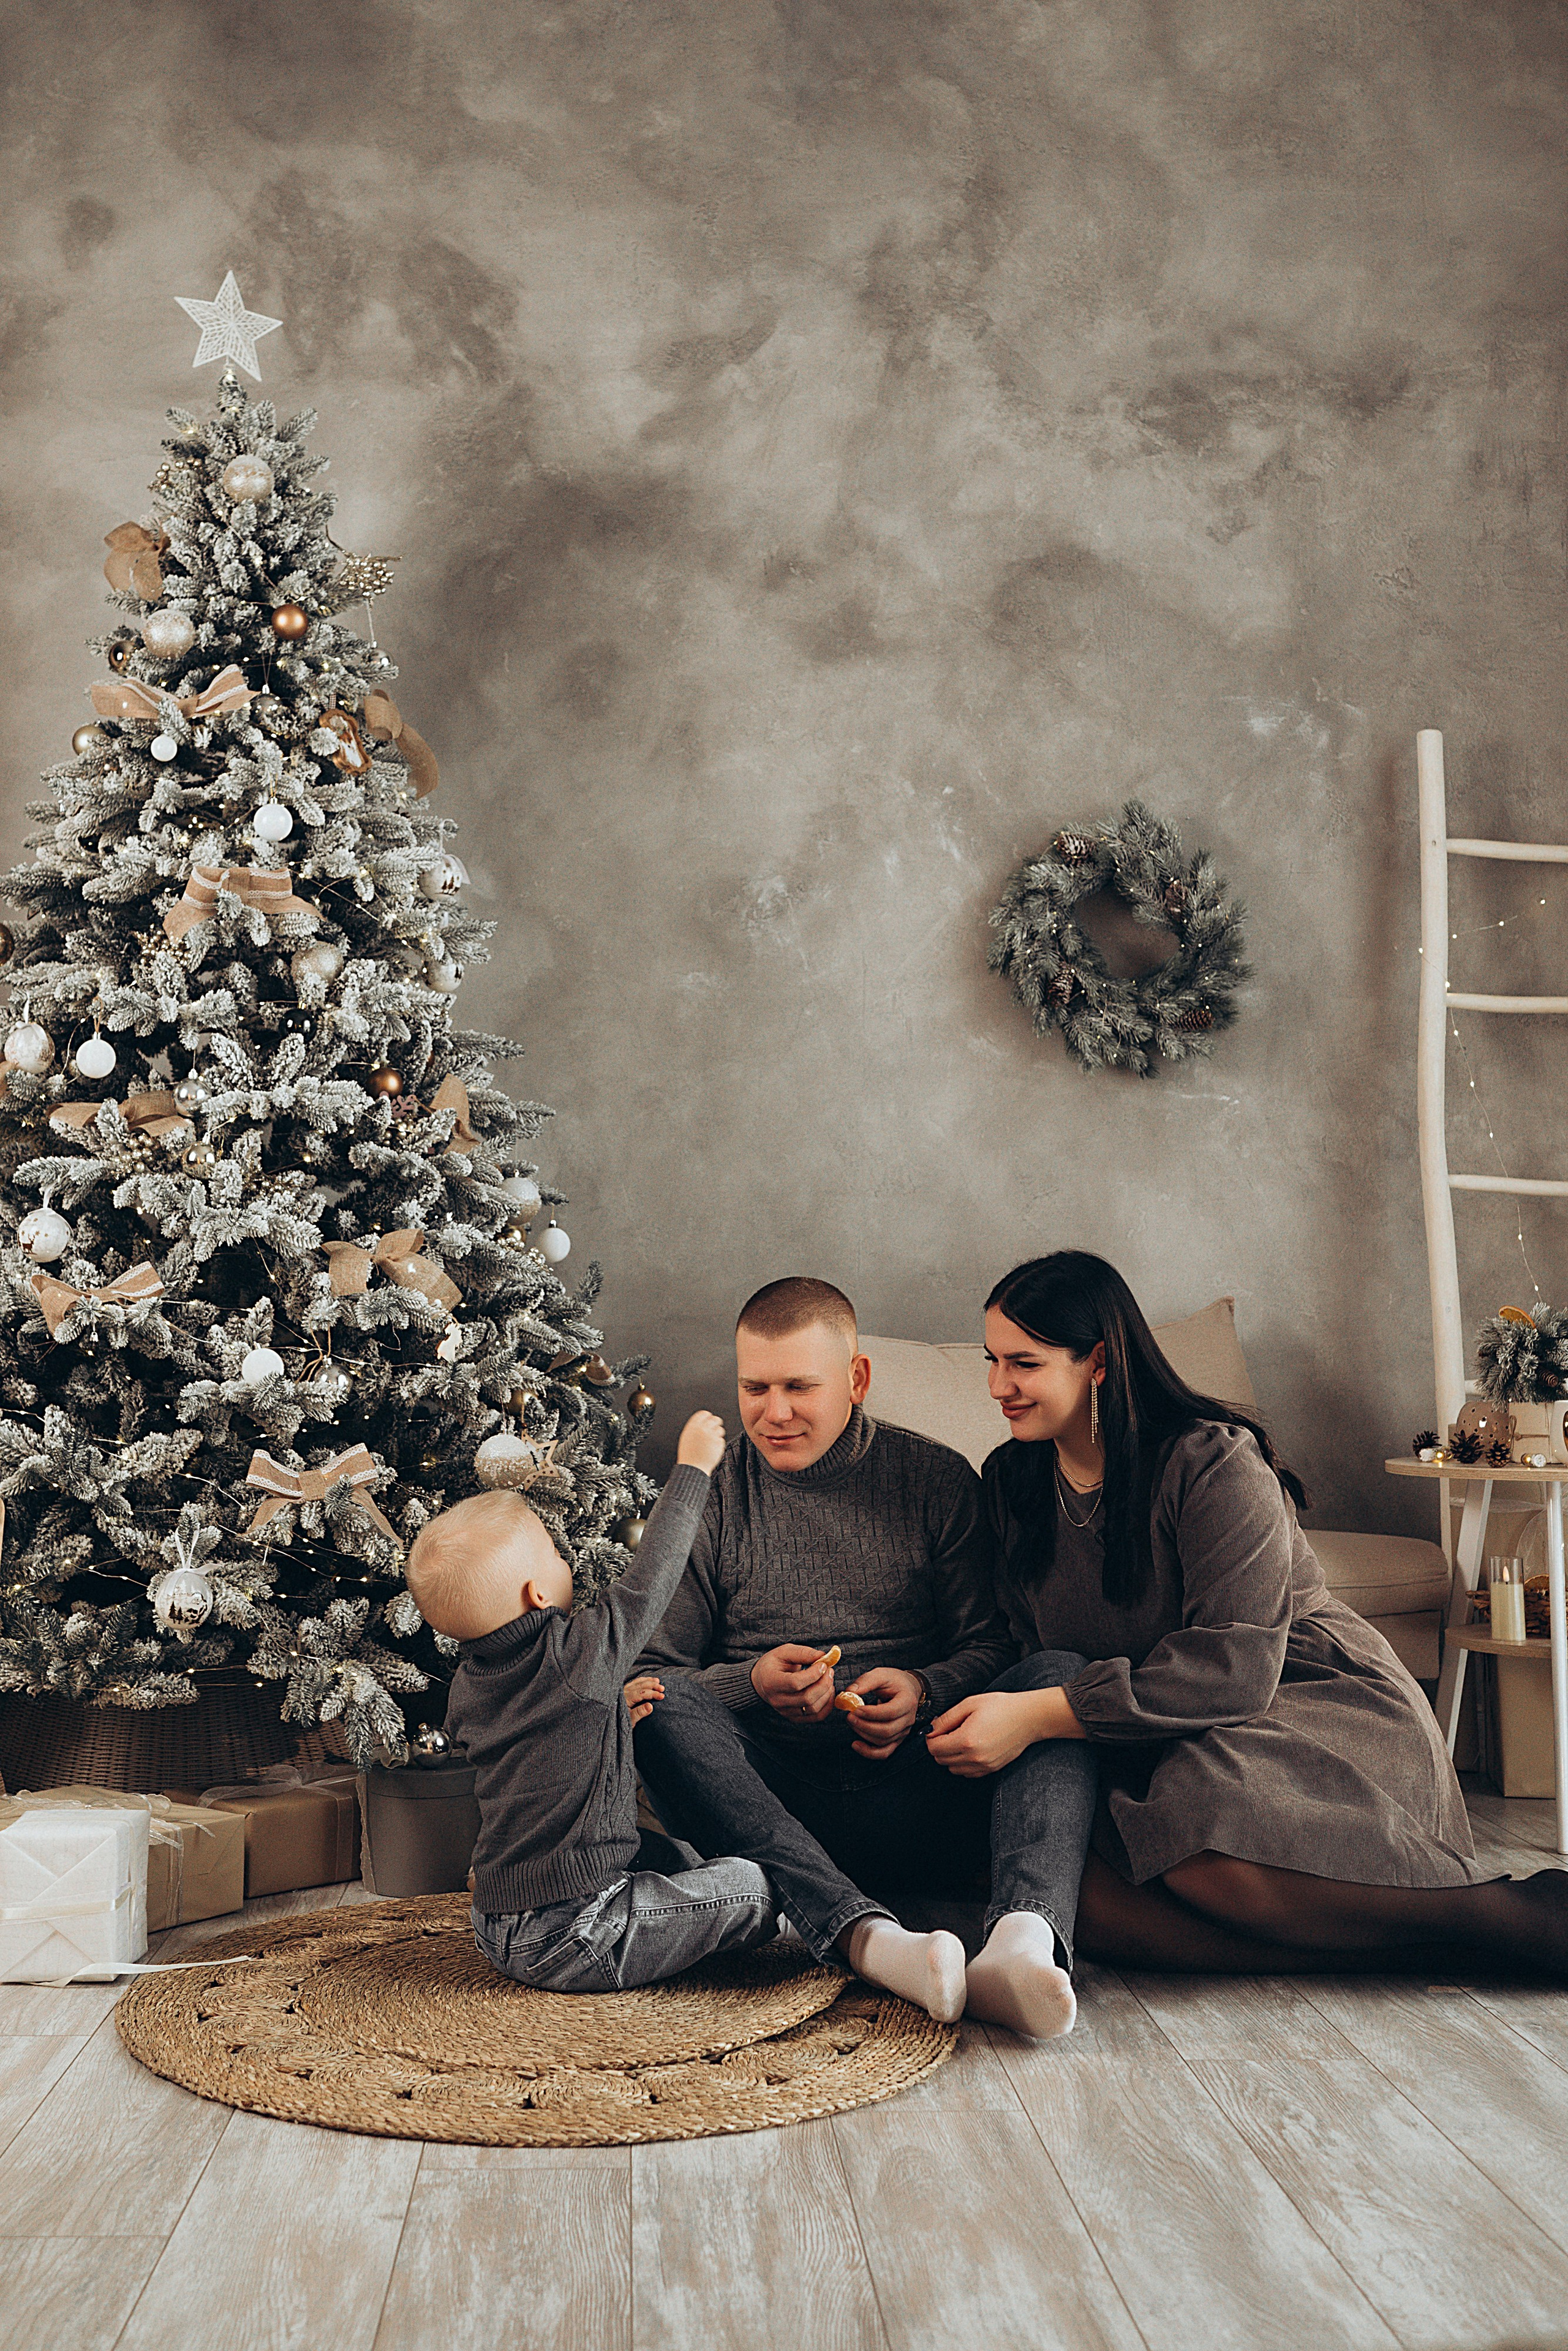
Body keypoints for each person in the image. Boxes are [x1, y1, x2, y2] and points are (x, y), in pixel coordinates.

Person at [924, 1250, 1568, 1978]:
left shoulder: (1212, 1461)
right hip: (1137, 1728)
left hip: (1295, 1699)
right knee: (1085, 1906)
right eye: (991, 1360)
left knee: (1203, 1855)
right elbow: (1016, 1641)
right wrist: (935, 1693)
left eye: (1023, 1363)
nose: (995, 1386)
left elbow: (1233, 1665)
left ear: (1097, 1362)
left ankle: (1502, 1915)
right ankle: (1426, 1949)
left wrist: (1043, 1714)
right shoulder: (1012, 1480)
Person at [634, 1277, 1098, 2032]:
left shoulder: (938, 1481)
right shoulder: (709, 1495)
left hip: (923, 1790)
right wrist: (752, 1684)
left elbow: (994, 1645)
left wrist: (924, 1688)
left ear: (856, 1380)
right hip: (770, 1810)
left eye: (798, 1386)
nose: (773, 1412)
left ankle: (1023, 1939)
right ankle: (868, 1938)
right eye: (754, 1387)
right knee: (658, 1707)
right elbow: (650, 1675)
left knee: (1058, 1676)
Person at [408, 1408, 782, 1993]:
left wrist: (605, 1714)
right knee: (756, 1888)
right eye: (556, 1555)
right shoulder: (578, 1653)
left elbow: (538, 1750)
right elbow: (651, 1578)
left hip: (494, 1922)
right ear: (537, 1594)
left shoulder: (470, 1685)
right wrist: (692, 1469)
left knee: (677, 1856)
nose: (567, 1562)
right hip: (576, 1930)